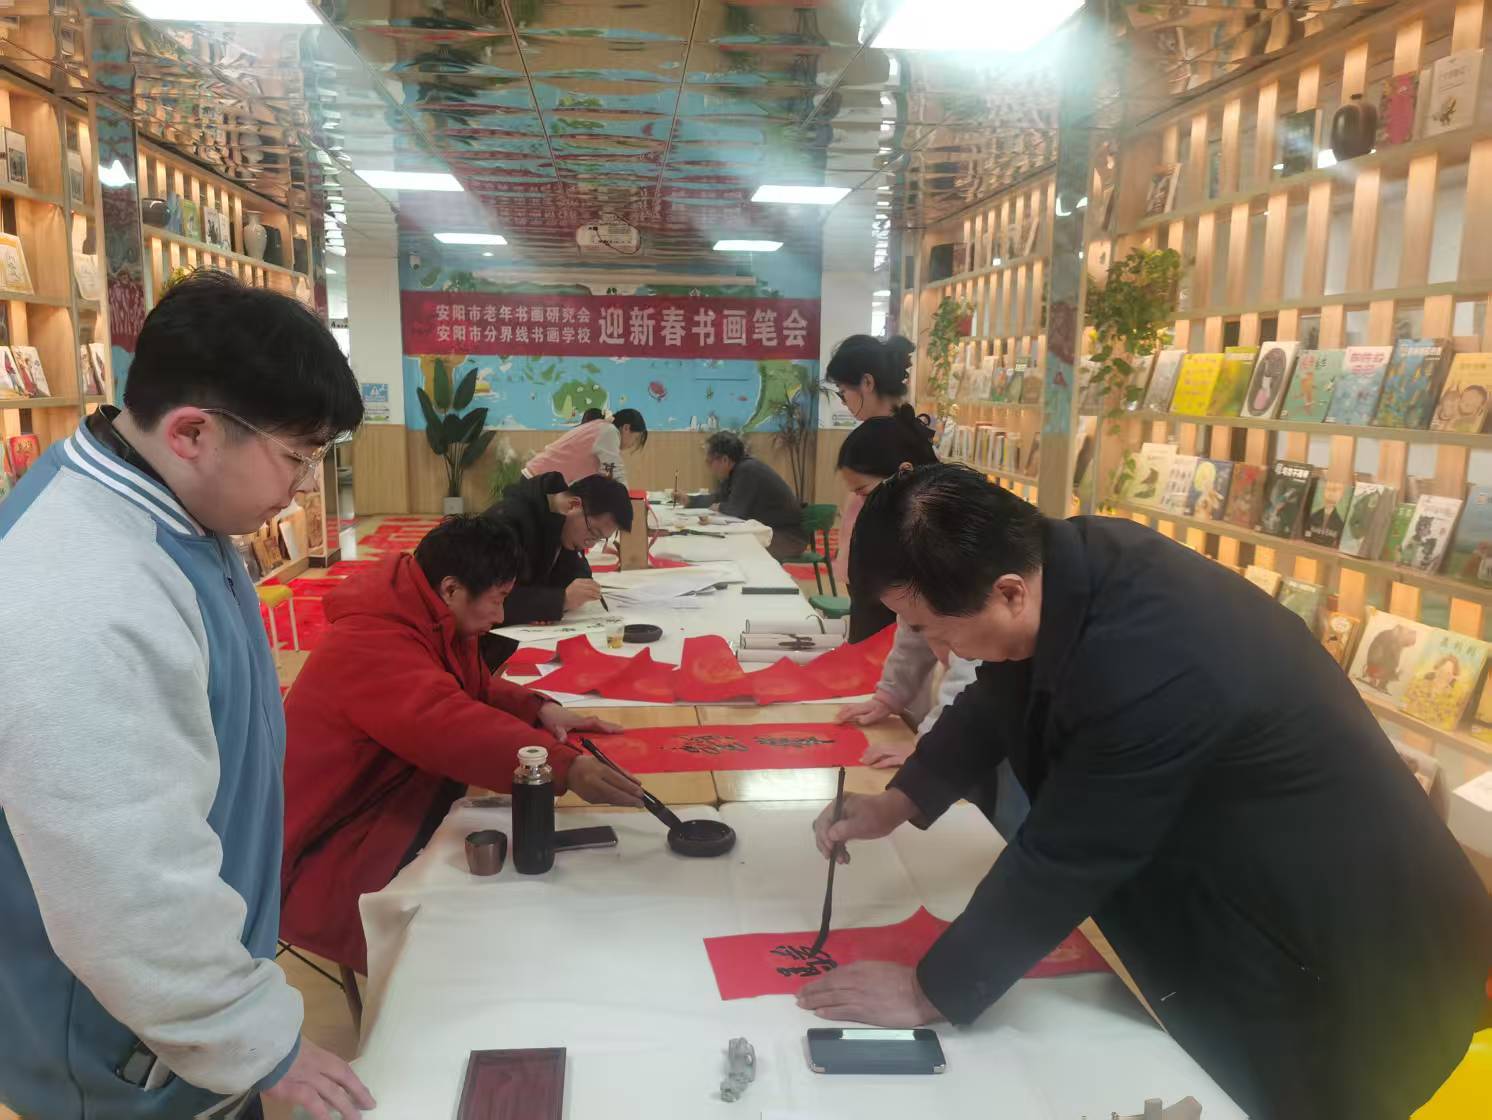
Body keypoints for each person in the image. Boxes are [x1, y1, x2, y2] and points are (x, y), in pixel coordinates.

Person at [800, 464, 1492, 1119]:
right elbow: (999, 691)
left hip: (1348, 944)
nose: (935, 648)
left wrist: (929, 989)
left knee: (1306, 1093)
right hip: (1248, 883)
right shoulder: (1061, 568)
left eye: (928, 627)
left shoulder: (1149, 653)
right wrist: (900, 800)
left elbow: (1070, 852)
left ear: (1008, 592)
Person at [0, 271, 374, 1120]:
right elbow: (122, 882)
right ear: (193, 432)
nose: (303, 488)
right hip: (122, 1049)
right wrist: (251, 1035)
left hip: (179, 1024)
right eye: (296, 457)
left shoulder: (172, 508)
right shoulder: (79, 595)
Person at [280, 516, 643, 973]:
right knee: (489, 920)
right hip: (329, 840)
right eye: (498, 599)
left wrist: (539, 708)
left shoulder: (428, 613)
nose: (501, 616)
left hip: (386, 793)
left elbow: (467, 688)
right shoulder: (369, 641)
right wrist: (563, 766)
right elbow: (447, 722)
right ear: (451, 589)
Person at [822, 334, 930, 604]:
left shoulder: (878, 438)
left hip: (886, 581)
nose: (843, 402)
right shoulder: (905, 431)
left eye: (843, 392)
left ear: (867, 383)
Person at [482, 470, 632, 624]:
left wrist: (581, 587)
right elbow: (485, 601)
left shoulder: (565, 526)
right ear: (573, 505)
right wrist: (559, 600)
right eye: (594, 533)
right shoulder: (507, 524)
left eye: (600, 539)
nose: (592, 543)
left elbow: (577, 571)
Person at [671, 430, 807, 561]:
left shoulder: (747, 470)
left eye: (709, 461)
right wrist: (689, 500)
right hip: (769, 531)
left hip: (787, 538)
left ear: (724, 460)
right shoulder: (737, 471)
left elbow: (736, 510)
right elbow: (719, 498)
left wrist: (720, 507)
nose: (709, 467)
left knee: (729, 545)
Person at [523, 407, 647, 485]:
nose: (632, 444)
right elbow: (615, 472)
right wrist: (627, 501)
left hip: (538, 478)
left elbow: (607, 474)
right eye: (636, 438)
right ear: (626, 428)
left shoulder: (602, 427)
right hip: (537, 481)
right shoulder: (609, 431)